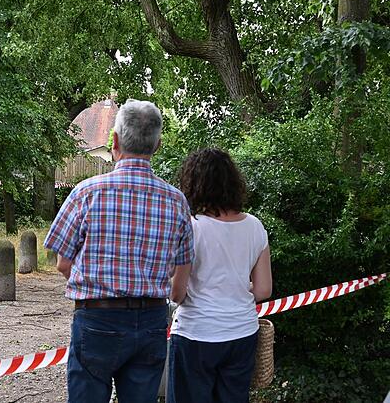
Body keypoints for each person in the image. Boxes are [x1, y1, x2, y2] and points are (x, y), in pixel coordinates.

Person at [44, 98, 194, 403]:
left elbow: (63, 263)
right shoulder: (177, 201)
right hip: (151, 319)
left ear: (114, 141)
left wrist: (97, 287)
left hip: (96, 319)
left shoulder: (86, 193)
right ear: (158, 145)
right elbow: (182, 273)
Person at [167, 148, 273, 403]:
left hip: (196, 333)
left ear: (193, 184)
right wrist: (233, 286)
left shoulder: (191, 227)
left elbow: (177, 294)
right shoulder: (255, 226)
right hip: (242, 333)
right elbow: (263, 290)